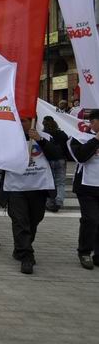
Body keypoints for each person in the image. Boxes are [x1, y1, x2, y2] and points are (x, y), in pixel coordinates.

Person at [3, 117, 57, 274]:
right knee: (20, 221)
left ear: (34, 121)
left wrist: (40, 140)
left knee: (34, 220)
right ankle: (27, 256)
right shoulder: (9, 138)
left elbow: (56, 155)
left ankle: (21, 248)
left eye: (26, 120)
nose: (23, 123)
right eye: (20, 120)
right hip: (15, 187)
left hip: (38, 187)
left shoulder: (45, 137)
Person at [68, 109, 99, 270]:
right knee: (91, 219)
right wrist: (95, 140)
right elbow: (80, 157)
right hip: (87, 186)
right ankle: (84, 251)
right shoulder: (80, 136)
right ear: (93, 122)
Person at [42, 116, 69, 212]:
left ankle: (49, 202)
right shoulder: (62, 134)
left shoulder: (43, 134)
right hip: (61, 159)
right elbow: (67, 147)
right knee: (60, 182)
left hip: (48, 160)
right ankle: (59, 201)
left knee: (50, 182)